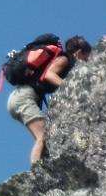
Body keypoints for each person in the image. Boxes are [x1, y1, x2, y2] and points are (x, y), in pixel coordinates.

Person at [7, 35, 92, 165]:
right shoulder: (65, 59)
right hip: (23, 97)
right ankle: (36, 173)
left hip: (20, 98)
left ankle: (43, 168)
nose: (87, 61)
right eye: (87, 57)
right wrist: (69, 88)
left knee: (47, 139)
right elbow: (49, 75)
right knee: (42, 137)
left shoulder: (65, 61)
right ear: (79, 53)